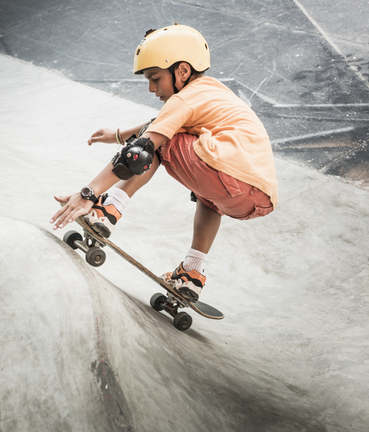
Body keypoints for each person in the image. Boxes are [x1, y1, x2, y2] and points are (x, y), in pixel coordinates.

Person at [50, 24, 278, 302]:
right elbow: (159, 124)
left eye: (155, 78)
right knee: (203, 188)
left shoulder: (184, 98)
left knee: (158, 141)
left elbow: (142, 150)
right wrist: (118, 135)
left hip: (227, 174)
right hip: (255, 198)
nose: (151, 88)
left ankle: (108, 209)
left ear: (182, 71)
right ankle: (193, 273)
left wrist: (89, 194)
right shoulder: (211, 93)